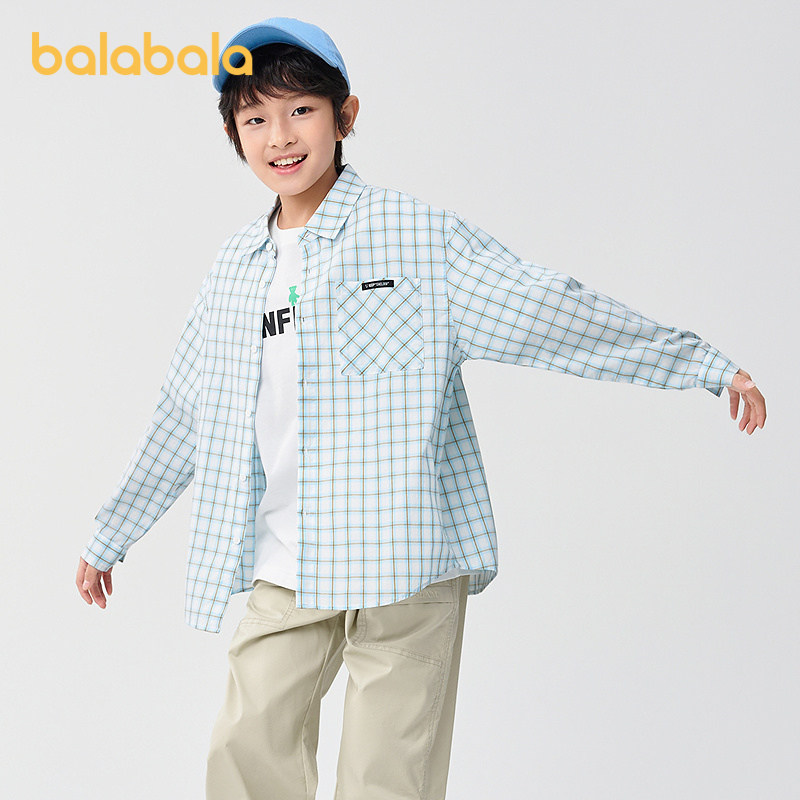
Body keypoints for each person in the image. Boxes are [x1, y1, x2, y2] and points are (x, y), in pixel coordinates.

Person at [75, 16, 767, 800]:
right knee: (245, 750)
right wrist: (112, 533)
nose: (281, 136)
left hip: (404, 559)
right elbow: (185, 412)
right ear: (234, 136)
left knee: (388, 778)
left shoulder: (415, 236)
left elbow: (547, 311)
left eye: (300, 109)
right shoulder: (236, 268)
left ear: (345, 115)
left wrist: (699, 364)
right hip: (287, 561)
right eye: (255, 118)